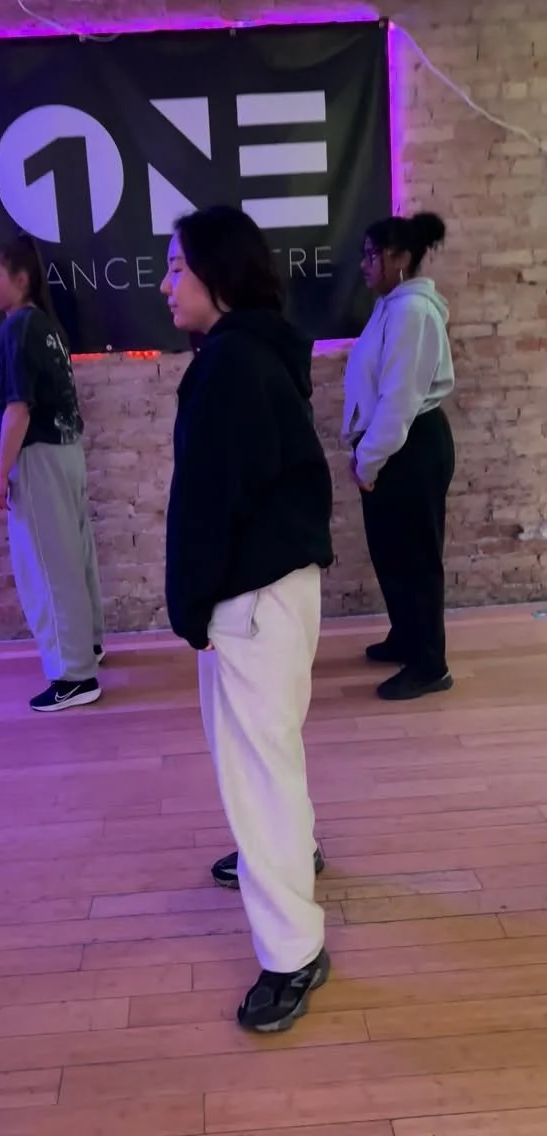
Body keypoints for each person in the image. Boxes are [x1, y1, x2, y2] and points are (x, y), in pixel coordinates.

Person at [160, 204, 334, 1033]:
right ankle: (296, 852)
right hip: (283, 584)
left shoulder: (229, 364)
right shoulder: (261, 349)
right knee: (274, 751)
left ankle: (294, 952)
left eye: (176, 268)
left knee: (256, 772)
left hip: (252, 596)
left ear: (217, 277)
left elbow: (205, 503)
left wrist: (187, 607)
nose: (166, 285)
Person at [0, 232, 104, 712]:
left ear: (21, 279)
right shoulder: (48, 326)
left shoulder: (17, 328)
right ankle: (88, 645)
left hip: (39, 457)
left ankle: (75, 675)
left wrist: (0, 475)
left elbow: (18, 408)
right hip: (67, 451)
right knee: (75, 555)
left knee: (49, 568)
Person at [342, 211, 456, 701]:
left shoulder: (412, 312)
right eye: (364, 254)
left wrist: (368, 460)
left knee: (415, 558)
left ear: (401, 258)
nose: (365, 264)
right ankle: (407, 637)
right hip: (393, 446)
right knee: (392, 553)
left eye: (373, 255)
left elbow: (399, 401)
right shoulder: (391, 306)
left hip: (409, 448)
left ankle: (430, 665)